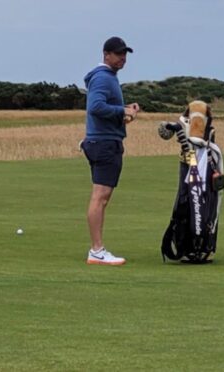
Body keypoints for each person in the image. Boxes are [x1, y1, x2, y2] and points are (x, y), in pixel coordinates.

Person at [80, 37, 140, 265]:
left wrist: (125, 113)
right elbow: (95, 107)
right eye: (118, 54)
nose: (122, 58)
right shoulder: (104, 78)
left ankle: (97, 249)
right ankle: (96, 250)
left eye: (124, 54)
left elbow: (107, 111)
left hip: (104, 141)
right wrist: (121, 110)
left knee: (101, 197)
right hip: (104, 145)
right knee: (100, 198)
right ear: (106, 55)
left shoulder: (108, 78)